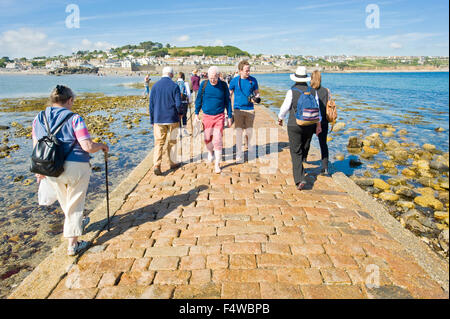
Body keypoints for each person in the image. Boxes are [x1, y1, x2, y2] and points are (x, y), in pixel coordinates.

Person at [32, 85, 109, 256]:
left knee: (65, 200)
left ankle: (78, 222)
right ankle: (73, 245)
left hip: (50, 166)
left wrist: (40, 171)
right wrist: (102, 145)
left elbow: (37, 146)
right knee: (75, 202)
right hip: (76, 166)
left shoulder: (38, 118)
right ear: (70, 100)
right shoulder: (75, 118)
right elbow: (87, 146)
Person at [277, 66, 322, 191]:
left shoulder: (292, 91)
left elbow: (285, 108)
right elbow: (317, 109)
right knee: (305, 146)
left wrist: (280, 118)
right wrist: (318, 125)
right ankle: (301, 165)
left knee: (295, 151)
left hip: (294, 124)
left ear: (295, 78)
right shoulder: (313, 91)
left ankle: (300, 179)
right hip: (310, 124)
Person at [195, 66, 233, 174]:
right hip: (206, 116)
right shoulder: (204, 84)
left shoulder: (223, 85)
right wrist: (196, 113)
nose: (212, 80)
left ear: (218, 76)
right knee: (207, 138)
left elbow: (228, 102)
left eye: (214, 78)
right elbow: (199, 99)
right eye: (211, 78)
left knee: (217, 140)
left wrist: (229, 116)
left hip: (219, 116)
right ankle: (210, 152)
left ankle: (217, 164)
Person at [149, 66, 183, 175]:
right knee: (172, 141)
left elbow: (151, 105)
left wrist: (152, 120)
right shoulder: (174, 86)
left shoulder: (154, 86)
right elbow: (178, 104)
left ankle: (157, 164)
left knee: (159, 142)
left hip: (158, 119)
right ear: (171, 75)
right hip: (172, 118)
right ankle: (172, 162)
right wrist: (181, 113)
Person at [229, 60, 260, 162]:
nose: (248, 72)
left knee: (249, 131)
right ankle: (238, 153)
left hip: (250, 109)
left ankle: (248, 144)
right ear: (240, 71)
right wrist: (228, 109)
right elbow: (229, 95)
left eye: (249, 70)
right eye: (246, 70)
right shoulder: (234, 81)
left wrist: (257, 98)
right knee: (239, 132)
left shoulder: (253, 80)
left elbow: (257, 93)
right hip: (238, 109)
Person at [310, 70, 331, 176]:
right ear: (320, 79)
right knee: (323, 144)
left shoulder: (309, 90)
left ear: (311, 78)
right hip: (323, 121)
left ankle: (303, 159)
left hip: (311, 120)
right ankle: (325, 167)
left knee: (306, 141)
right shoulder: (326, 91)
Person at [176, 72, 191, 137]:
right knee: (184, 116)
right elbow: (188, 93)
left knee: (178, 116)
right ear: (183, 77)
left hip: (177, 102)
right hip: (184, 101)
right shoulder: (185, 83)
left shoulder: (175, 83)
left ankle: (179, 132)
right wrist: (190, 101)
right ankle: (184, 130)